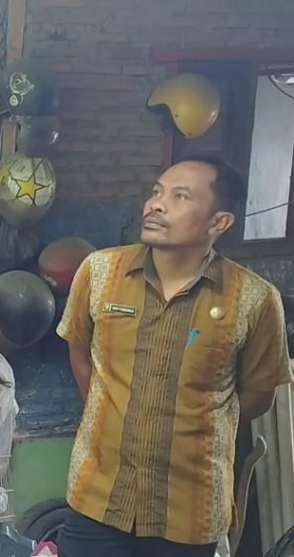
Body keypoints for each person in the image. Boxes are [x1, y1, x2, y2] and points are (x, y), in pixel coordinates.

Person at [55, 155, 292, 557]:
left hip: (188, 511)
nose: (156, 205)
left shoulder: (253, 299)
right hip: (97, 498)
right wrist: (110, 412)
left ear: (219, 222)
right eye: (156, 192)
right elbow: (81, 354)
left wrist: (195, 422)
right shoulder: (99, 272)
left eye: (180, 197)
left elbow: (258, 395)